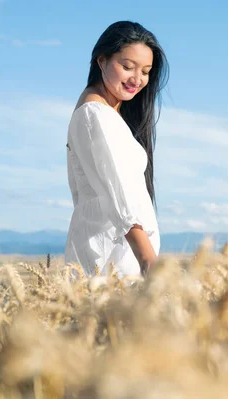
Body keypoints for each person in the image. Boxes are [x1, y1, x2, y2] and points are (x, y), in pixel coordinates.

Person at [64, 21, 169, 278]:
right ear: (102, 61)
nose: (138, 79)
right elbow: (119, 192)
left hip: (115, 262)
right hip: (109, 265)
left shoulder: (108, 114)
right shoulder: (94, 115)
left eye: (146, 71)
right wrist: (148, 261)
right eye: (127, 66)